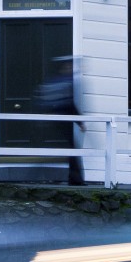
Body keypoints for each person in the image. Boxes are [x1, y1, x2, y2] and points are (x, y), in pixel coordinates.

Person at [38, 55, 83, 186]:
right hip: (61, 121)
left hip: (58, 121)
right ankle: (75, 179)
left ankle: (74, 178)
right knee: (72, 149)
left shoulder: (54, 82)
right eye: (68, 66)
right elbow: (68, 104)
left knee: (70, 148)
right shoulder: (63, 83)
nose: (70, 68)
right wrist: (80, 122)